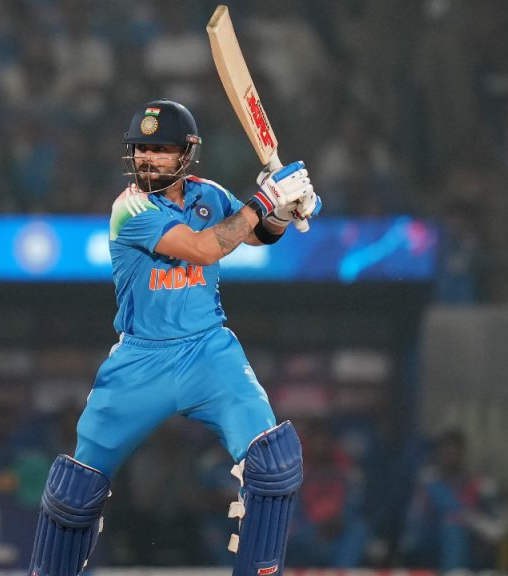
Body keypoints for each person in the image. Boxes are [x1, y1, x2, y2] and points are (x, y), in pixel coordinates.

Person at [27, 99, 321, 576]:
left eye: (160, 149)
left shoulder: (209, 194)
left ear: (185, 153)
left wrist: (285, 212)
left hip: (208, 351)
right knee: (74, 492)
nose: (147, 158)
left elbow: (256, 235)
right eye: (140, 149)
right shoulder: (130, 208)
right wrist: (266, 200)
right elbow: (204, 249)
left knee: (275, 463)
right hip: (141, 360)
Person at [399, 428, 505, 571]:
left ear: (462, 453)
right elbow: (415, 520)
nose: (450, 456)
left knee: (454, 528)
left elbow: (496, 527)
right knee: (450, 521)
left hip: (467, 540)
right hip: (430, 538)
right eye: (446, 452)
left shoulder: (478, 484)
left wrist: (473, 523)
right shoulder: (429, 483)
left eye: (454, 452)